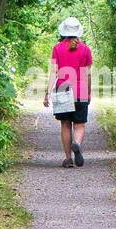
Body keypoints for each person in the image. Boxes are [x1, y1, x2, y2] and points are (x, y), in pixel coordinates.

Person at [43, 17, 92, 168]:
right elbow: (88, 74)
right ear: (78, 31)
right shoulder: (85, 49)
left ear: (63, 31)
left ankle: (68, 158)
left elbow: (53, 72)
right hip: (80, 89)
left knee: (65, 124)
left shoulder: (57, 48)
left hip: (62, 88)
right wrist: (88, 93)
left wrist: (47, 93)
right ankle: (76, 144)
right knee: (79, 124)